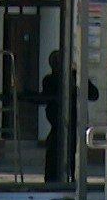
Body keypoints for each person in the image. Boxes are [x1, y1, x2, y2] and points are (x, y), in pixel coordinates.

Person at [37, 50, 98, 185]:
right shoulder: (51, 80)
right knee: (56, 153)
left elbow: (94, 94)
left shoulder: (75, 77)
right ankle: (56, 181)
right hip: (59, 125)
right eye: (56, 63)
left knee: (70, 153)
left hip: (74, 124)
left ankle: (71, 180)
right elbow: (46, 97)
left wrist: (79, 84)